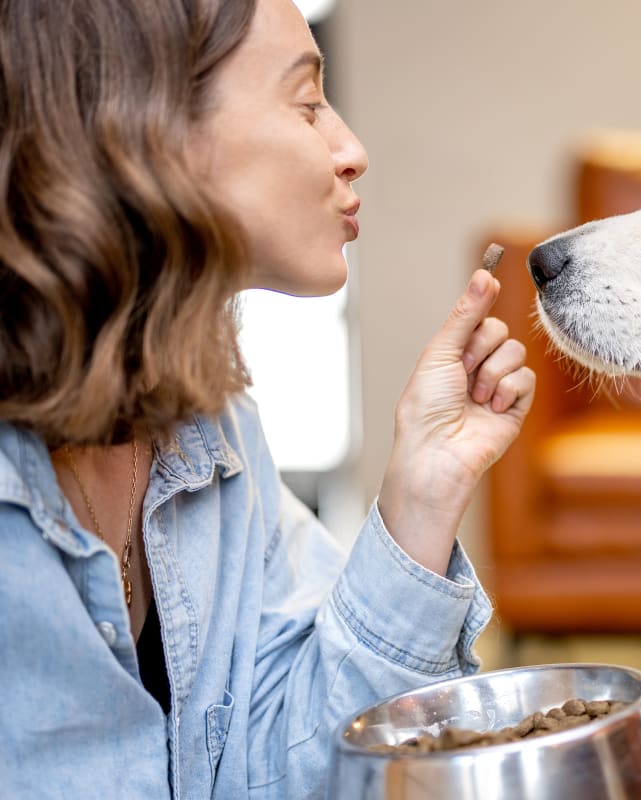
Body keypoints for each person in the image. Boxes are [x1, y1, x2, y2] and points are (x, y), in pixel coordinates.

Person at [0, 0, 535, 797]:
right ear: (145, 130)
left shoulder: (209, 419)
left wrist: (422, 494)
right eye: (308, 102)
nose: (351, 150)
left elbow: (296, 766)